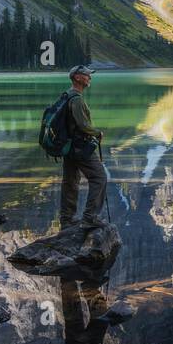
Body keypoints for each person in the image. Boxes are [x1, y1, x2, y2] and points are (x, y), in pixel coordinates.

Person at [59, 64, 107, 227]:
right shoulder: (77, 99)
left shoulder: (67, 95)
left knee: (70, 181)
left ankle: (66, 220)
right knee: (99, 177)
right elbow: (83, 125)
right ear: (78, 78)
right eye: (86, 75)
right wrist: (97, 133)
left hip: (68, 146)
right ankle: (90, 218)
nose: (90, 77)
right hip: (80, 147)